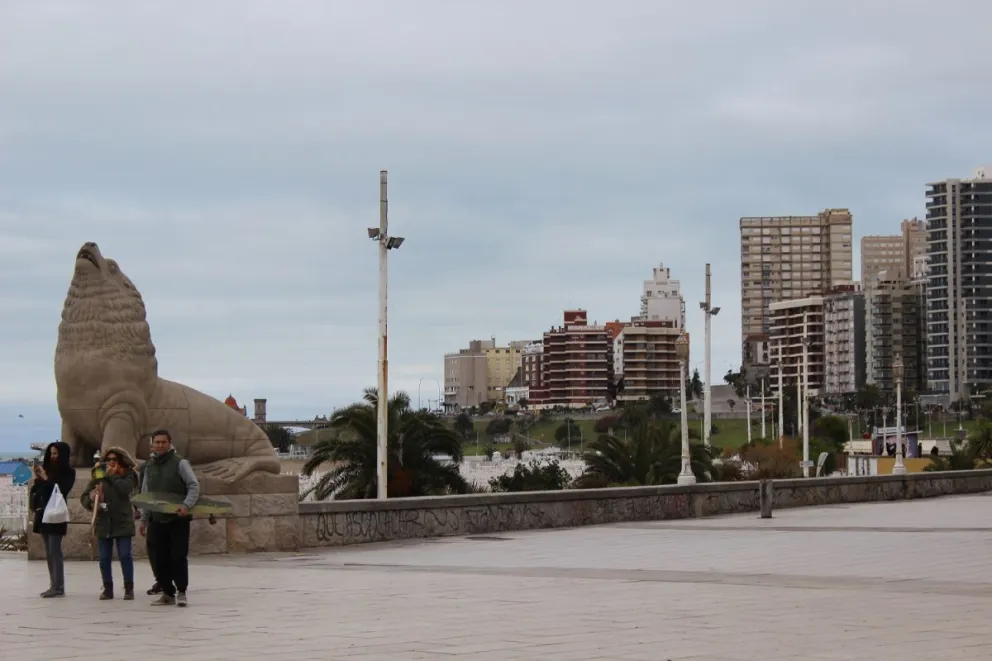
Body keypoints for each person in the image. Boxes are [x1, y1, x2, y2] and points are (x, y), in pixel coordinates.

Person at [140, 429, 199, 607]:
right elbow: (146, 495)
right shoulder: (149, 466)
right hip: (156, 519)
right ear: (152, 444)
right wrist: (144, 519)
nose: (160, 445)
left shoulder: (180, 463)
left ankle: (181, 591)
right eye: (156, 442)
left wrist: (186, 505)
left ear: (169, 443)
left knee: (178, 556)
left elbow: (193, 486)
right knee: (158, 558)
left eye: (163, 442)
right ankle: (167, 592)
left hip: (177, 519)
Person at [80, 447, 139, 600]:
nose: (111, 462)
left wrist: (112, 477)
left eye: (114, 460)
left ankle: (129, 588)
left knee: (125, 555)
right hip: (104, 522)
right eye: (108, 459)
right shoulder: (99, 473)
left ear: (120, 461)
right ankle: (107, 588)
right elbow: (85, 495)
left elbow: (126, 489)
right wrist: (92, 503)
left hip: (122, 521)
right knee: (104, 557)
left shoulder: (128, 474)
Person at [29, 441, 76, 598]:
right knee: (48, 551)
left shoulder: (68, 472)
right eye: (51, 453)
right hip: (43, 513)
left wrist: (46, 479)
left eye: (55, 453)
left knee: (55, 550)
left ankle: (58, 586)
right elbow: (40, 489)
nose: (52, 456)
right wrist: (39, 479)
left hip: (56, 514)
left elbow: (60, 490)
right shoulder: (48, 469)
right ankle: (53, 584)